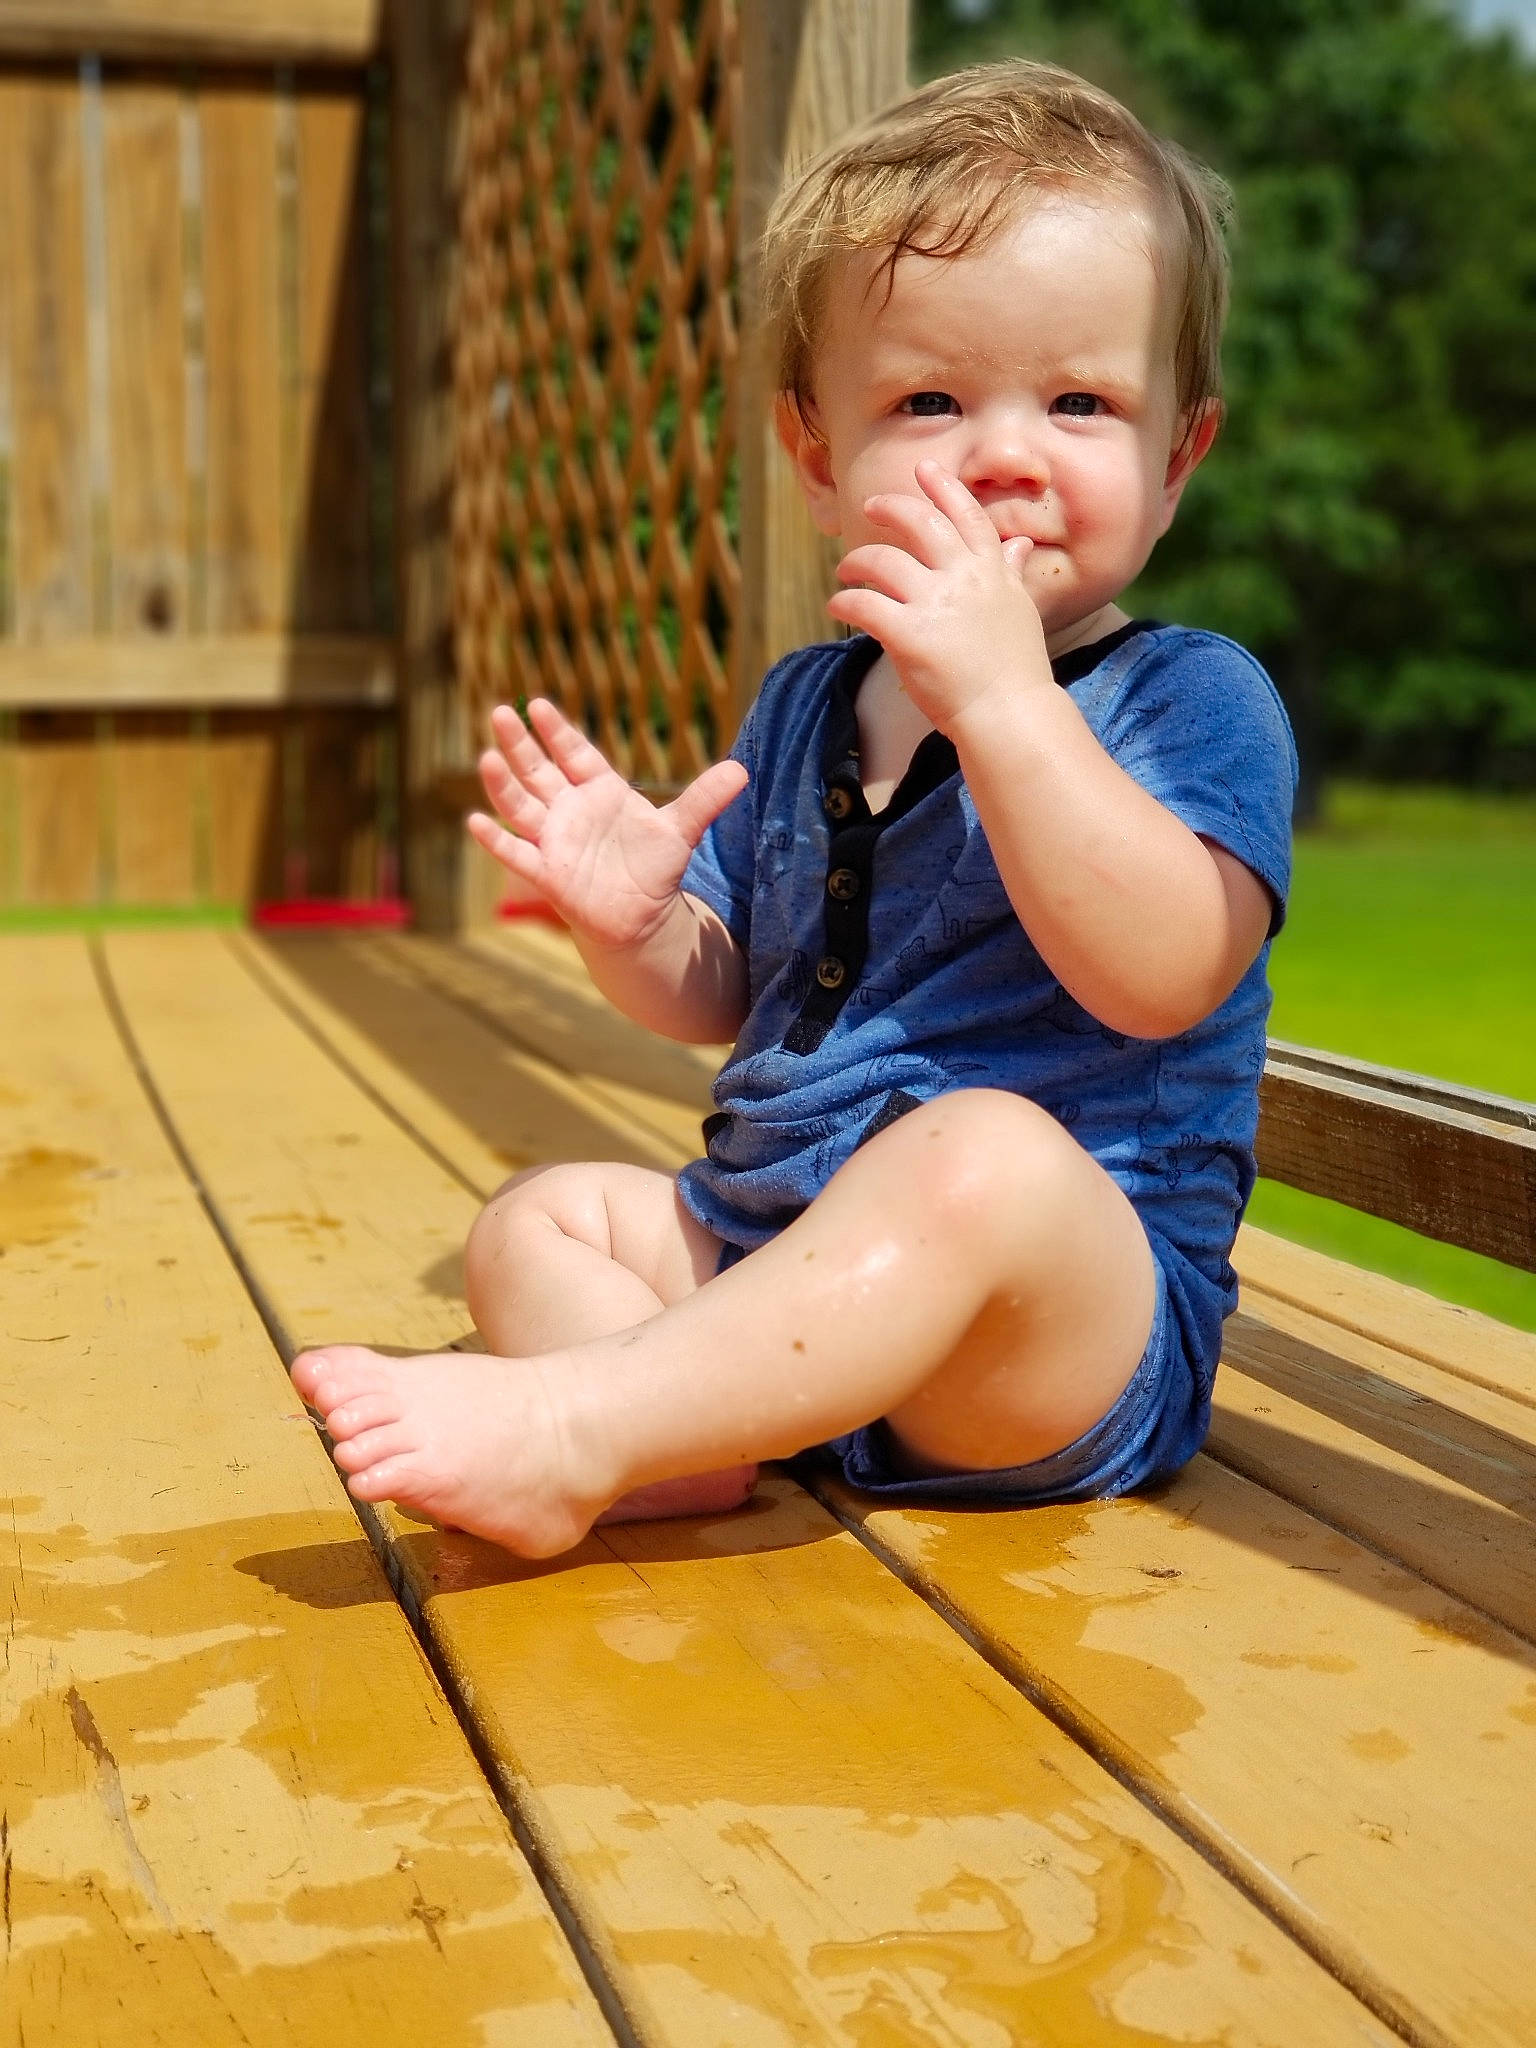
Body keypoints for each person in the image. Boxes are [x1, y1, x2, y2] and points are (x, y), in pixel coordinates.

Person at [291, 59, 1296, 1559]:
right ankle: (684, 1437)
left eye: (1081, 401)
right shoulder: (806, 705)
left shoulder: (1187, 699)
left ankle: (585, 1427)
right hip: (779, 1255)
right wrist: (635, 926)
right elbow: (724, 995)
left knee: (985, 1155)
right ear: (820, 456)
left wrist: (1007, 705)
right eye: (930, 400)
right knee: (540, 1222)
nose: (1005, 453)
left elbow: (1163, 977)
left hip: (1047, 1336)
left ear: (1176, 460)